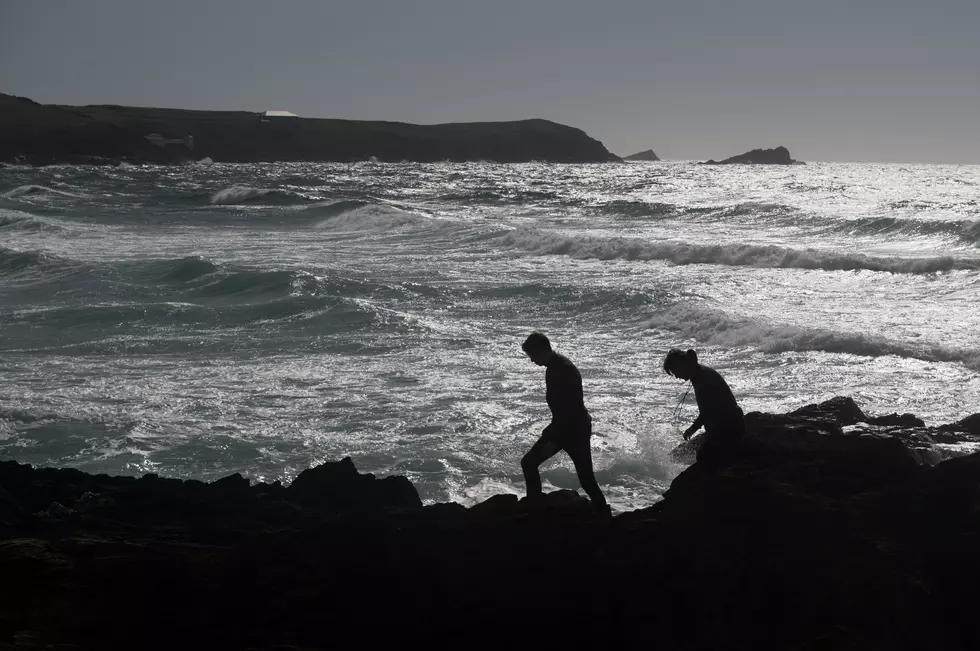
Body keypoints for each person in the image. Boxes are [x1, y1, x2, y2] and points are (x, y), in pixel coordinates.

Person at [520, 332, 609, 514]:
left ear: (542, 350)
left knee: (529, 463)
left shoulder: (562, 369)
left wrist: (551, 439)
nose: (531, 361)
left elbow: (569, 410)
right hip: (571, 427)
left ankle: (534, 508)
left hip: (572, 430)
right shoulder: (555, 366)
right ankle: (602, 512)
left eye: (532, 356)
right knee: (586, 478)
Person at [663, 348, 745, 465]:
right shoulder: (699, 374)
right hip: (721, 429)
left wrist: (692, 429)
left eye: (675, 371)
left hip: (729, 430)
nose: (676, 376)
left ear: (683, 365)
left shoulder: (704, 378)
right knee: (679, 453)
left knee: (701, 457)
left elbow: (708, 412)